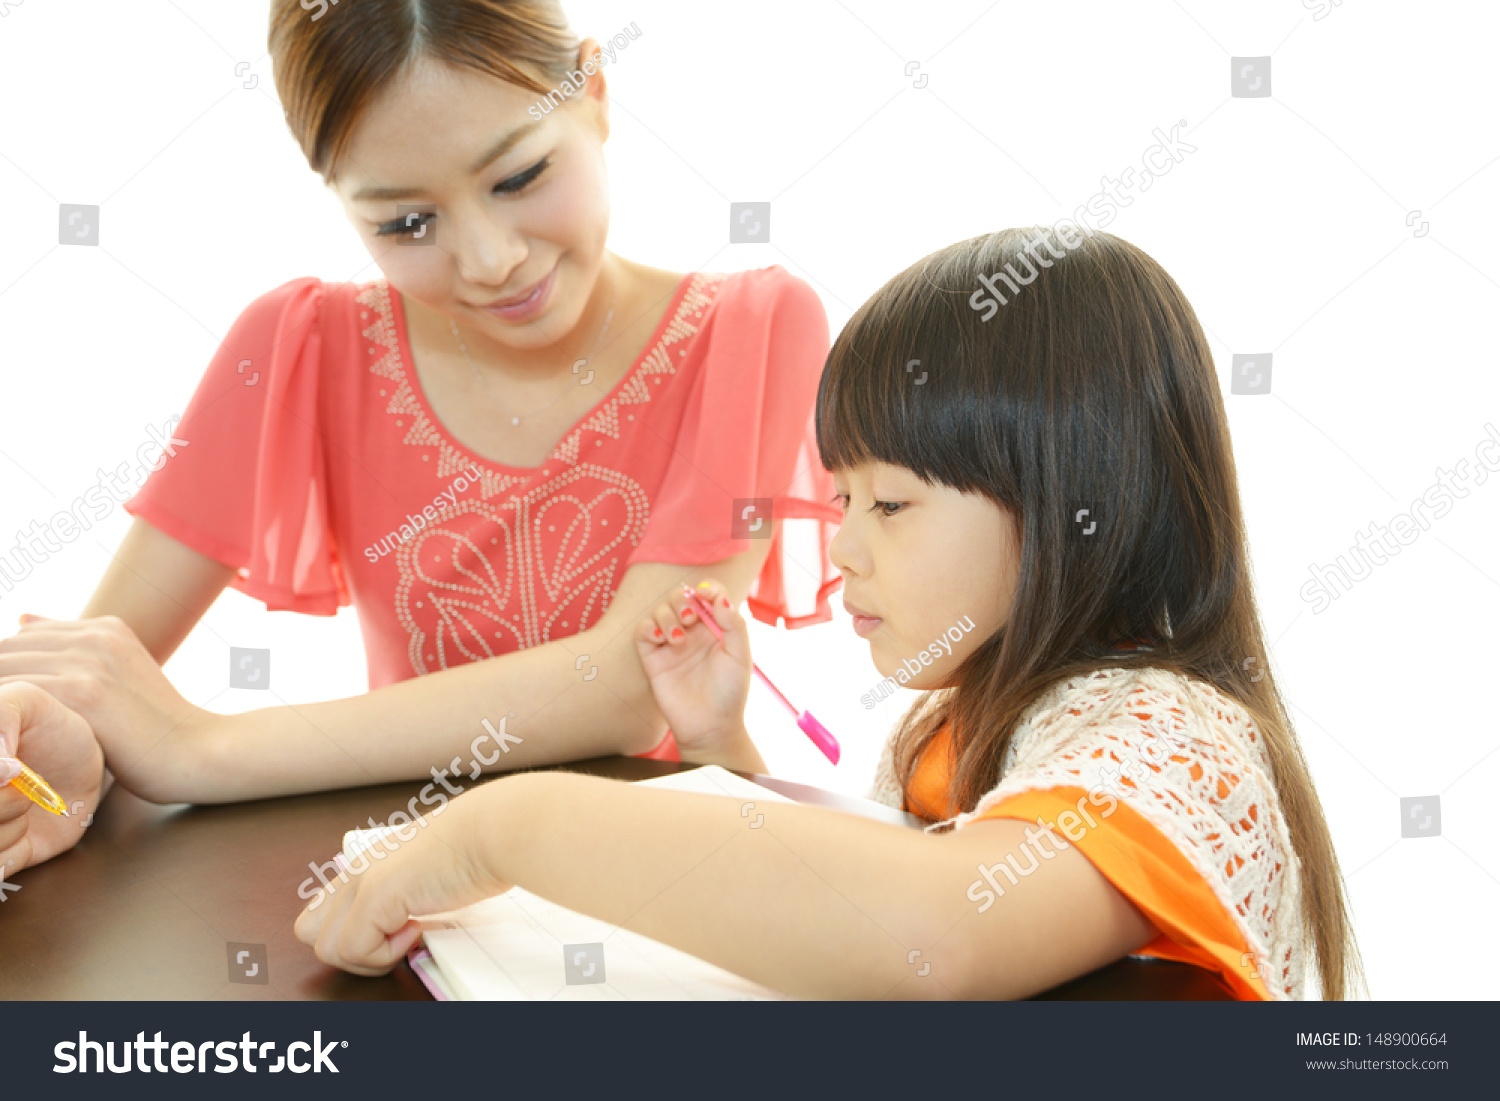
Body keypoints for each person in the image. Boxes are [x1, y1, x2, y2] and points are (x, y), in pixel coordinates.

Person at [294, 228, 1364, 1000]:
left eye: (889, 504)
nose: (842, 544)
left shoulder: (1177, 739)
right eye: (840, 497)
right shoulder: (968, 719)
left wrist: (501, 828)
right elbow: (843, 903)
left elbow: (936, 933)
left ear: (1077, 501)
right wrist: (726, 746)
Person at [0, 0, 840, 819]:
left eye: (519, 176)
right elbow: (95, 680)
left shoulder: (751, 333)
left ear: (593, 89)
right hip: (395, 906)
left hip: (649, 903)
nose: (489, 260)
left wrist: (195, 745)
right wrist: (54, 763)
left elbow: (630, 686)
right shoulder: (300, 345)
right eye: (406, 221)